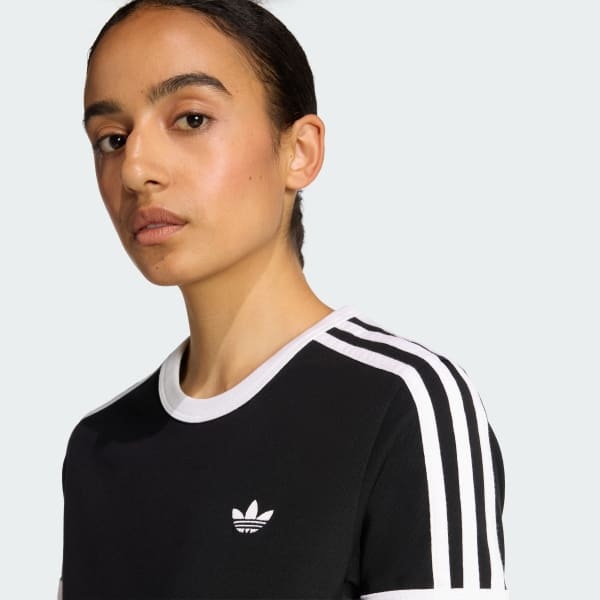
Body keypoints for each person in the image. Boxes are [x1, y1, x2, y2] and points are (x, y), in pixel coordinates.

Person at [58, 1, 509, 598]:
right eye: (112, 139)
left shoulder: (402, 403)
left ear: (300, 151)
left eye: (191, 119)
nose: (135, 169)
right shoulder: (100, 448)